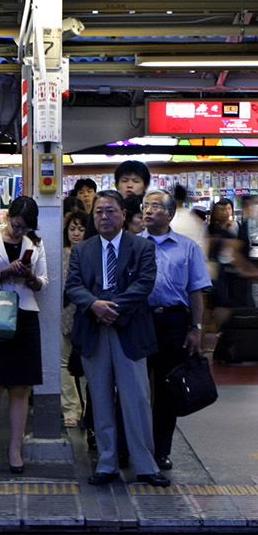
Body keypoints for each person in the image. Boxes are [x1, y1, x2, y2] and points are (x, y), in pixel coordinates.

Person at [66, 189, 169, 487]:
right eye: (98, 212)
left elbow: (145, 283)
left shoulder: (141, 247)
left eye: (110, 211)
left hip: (129, 332)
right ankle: (107, 463)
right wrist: (95, 305)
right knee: (99, 400)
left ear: (124, 215)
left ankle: (145, 465)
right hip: (94, 330)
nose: (104, 217)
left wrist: (114, 308)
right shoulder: (82, 250)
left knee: (136, 398)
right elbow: (73, 286)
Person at [0, 196, 47, 475]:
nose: (19, 232)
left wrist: (28, 276)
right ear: (7, 216)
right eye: (16, 225)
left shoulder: (35, 243)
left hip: (25, 314)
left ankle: (15, 448)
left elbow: (43, 283)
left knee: (19, 388)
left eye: (25, 228)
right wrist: (3, 272)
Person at [139, 189, 210, 471]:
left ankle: (161, 450)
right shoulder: (133, 245)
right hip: (140, 322)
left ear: (169, 214)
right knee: (137, 388)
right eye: (146, 206)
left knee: (167, 388)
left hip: (173, 322)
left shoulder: (187, 247)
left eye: (155, 206)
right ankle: (133, 447)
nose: (148, 210)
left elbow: (196, 290)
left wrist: (196, 328)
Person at [61, 211, 90, 428]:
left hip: (86, 314)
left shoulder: (92, 253)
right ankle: (71, 408)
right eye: (72, 229)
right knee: (63, 364)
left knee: (88, 364)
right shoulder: (59, 253)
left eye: (81, 229)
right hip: (62, 315)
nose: (76, 233)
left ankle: (90, 407)